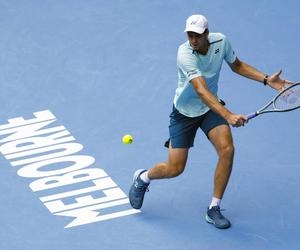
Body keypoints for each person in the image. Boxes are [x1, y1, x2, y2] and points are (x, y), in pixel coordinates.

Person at [129, 14, 293, 229]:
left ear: (206, 33)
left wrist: (265, 79)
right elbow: (201, 90)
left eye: (197, 35)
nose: (193, 40)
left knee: (227, 149)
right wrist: (228, 115)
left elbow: (237, 65)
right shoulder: (184, 53)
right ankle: (143, 177)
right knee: (175, 168)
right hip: (184, 113)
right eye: (190, 35)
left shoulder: (221, 41)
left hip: (210, 109)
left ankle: (213, 208)